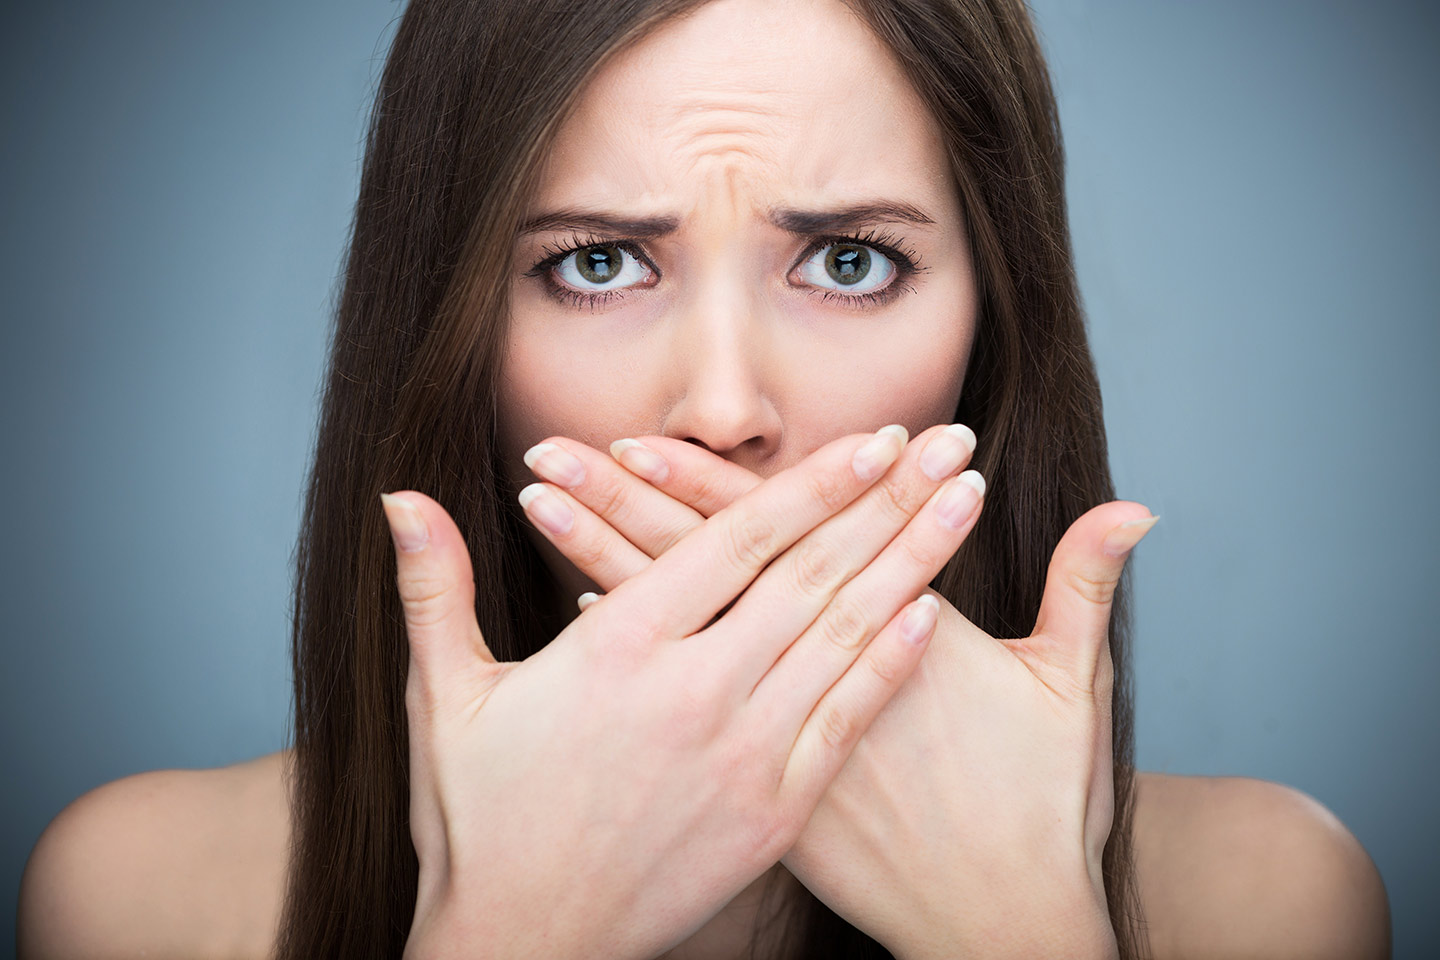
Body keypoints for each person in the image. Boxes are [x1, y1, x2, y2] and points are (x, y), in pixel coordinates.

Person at [17, 0, 1391, 957]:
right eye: (597, 263)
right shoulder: (142, 899)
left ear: (995, 327)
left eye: (849, 260)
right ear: (452, 334)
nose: (726, 409)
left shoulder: (1273, 905)